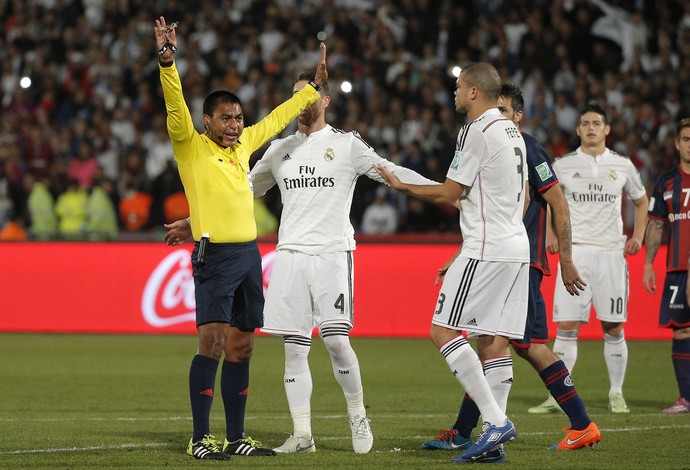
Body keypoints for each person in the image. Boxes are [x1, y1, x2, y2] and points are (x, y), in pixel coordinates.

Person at [164, 71, 437, 454]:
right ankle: (301, 435)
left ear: (324, 100)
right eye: (296, 96)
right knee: (291, 347)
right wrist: (195, 222)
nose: (302, 102)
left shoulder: (346, 145)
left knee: (336, 341)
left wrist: (440, 191)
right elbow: (242, 190)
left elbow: (389, 170)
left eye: (309, 95)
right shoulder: (276, 150)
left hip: (328, 254)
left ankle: (357, 415)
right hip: (288, 253)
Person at [154, 16, 328, 460]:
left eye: (238, 118)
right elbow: (176, 108)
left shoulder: (242, 146)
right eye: (225, 118)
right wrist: (167, 61)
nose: (234, 125)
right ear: (207, 120)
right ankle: (200, 438)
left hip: (250, 256)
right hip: (215, 257)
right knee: (210, 342)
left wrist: (311, 91)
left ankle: (235, 436)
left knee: (242, 345)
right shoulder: (191, 147)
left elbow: (276, 120)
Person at [421, 83, 601, 456]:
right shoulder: (496, 144)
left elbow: (557, 201)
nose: (495, 117)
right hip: (505, 256)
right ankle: (479, 431)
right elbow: (490, 212)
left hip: (522, 263)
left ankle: (569, 424)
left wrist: (566, 259)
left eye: (503, 111)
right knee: (500, 343)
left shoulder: (526, 145)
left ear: (517, 116)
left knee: (509, 345)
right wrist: (462, 253)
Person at [374, 63, 527, 464]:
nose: (455, 92)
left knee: (442, 331)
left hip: (485, 248)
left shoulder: (476, 131)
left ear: (474, 91)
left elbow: (448, 192)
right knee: (492, 342)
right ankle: (492, 442)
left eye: (459, 86)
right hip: (515, 248)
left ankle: (495, 422)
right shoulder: (513, 132)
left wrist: (400, 183)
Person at [529, 103, 649, 414]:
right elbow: (546, 199)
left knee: (613, 326)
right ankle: (558, 396)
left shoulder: (622, 165)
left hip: (610, 253)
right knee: (567, 326)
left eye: (597, 122)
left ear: (607, 129)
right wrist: (551, 235)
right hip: (576, 252)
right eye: (586, 123)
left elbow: (641, 200)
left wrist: (638, 236)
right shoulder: (564, 164)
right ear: (579, 129)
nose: (591, 127)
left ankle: (616, 393)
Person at [643, 117, 690, 414]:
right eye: (686, 139)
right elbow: (656, 225)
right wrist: (648, 263)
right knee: (681, 331)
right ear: (676, 143)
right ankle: (685, 398)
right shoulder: (666, 182)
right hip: (676, 269)